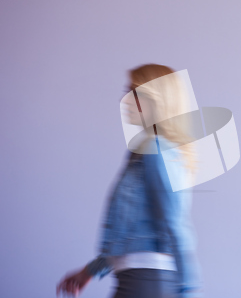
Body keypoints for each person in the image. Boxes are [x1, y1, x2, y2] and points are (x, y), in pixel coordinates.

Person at [57, 64, 201, 298]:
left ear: (158, 100)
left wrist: (190, 290)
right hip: (138, 280)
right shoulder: (144, 150)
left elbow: (176, 224)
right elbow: (128, 233)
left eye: (135, 92)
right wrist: (89, 271)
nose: (125, 100)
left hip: (147, 282)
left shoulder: (156, 149)